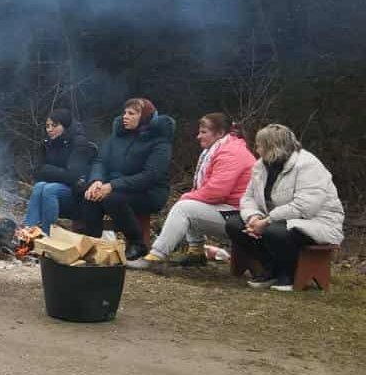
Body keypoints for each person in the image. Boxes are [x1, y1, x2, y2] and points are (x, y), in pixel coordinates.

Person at [129, 112, 254, 271]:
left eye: (203, 132)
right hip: (230, 209)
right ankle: (196, 253)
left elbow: (216, 192)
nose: (198, 136)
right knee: (191, 203)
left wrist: (187, 197)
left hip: (239, 216)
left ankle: (156, 257)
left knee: (185, 207)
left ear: (220, 133)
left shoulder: (231, 153)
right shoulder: (222, 148)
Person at [227, 124, 346, 291]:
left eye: (259, 144)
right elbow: (248, 198)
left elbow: (305, 206)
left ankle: (289, 273)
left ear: (272, 147)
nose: (256, 148)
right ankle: (270, 268)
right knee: (234, 225)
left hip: (318, 221)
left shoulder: (308, 165)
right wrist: (253, 218)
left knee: (274, 231)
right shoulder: (260, 166)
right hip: (277, 219)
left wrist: (267, 221)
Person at [74, 98, 176, 260]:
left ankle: (137, 242)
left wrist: (113, 185)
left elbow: (150, 176)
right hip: (117, 186)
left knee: (112, 199)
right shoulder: (117, 136)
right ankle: (91, 243)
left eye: (131, 113)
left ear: (144, 117)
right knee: (90, 195)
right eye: (125, 113)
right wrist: (97, 181)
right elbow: (100, 161)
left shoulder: (160, 142)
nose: (125, 117)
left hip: (149, 191)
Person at [23, 108, 97, 234]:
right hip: (55, 193)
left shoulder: (79, 143)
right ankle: (29, 231)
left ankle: (47, 235)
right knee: (39, 186)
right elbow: (36, 171)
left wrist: (47, 170)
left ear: (65, 126)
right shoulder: (46, 143)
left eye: (54, 125)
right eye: (47, 126)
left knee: (49, 189)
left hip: (77, 196)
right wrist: (60, 173)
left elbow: (73, 176)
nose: (49, 129)